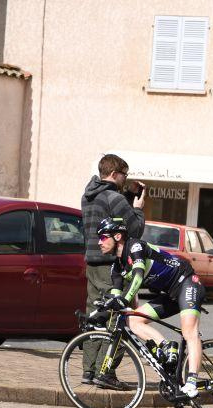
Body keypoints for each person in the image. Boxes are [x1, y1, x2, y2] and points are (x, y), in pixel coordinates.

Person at [96, 217, 205, 398]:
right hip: (169, 294)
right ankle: (166, 346)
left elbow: (138, 276)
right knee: (133, 320)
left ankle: (192, 382)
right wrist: (103, 312)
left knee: (189, 332)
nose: (100, 242)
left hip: (186, 282)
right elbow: (116, 297)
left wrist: (125, 299)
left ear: (117, 236)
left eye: (103, 237)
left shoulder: (135, 247)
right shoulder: (117, 267)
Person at [81, 153, 145, 390]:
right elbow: (135, 229)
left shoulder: (88, 196)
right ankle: (105, 372)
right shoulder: (114, 197)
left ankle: (88, 370)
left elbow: (109, 216)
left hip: (92, 263)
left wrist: (126, 198)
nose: (125, 179)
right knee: (117, 317)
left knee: (95, 315)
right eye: (124, 175)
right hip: (111, 265)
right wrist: (138, 208)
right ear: (114, 173)